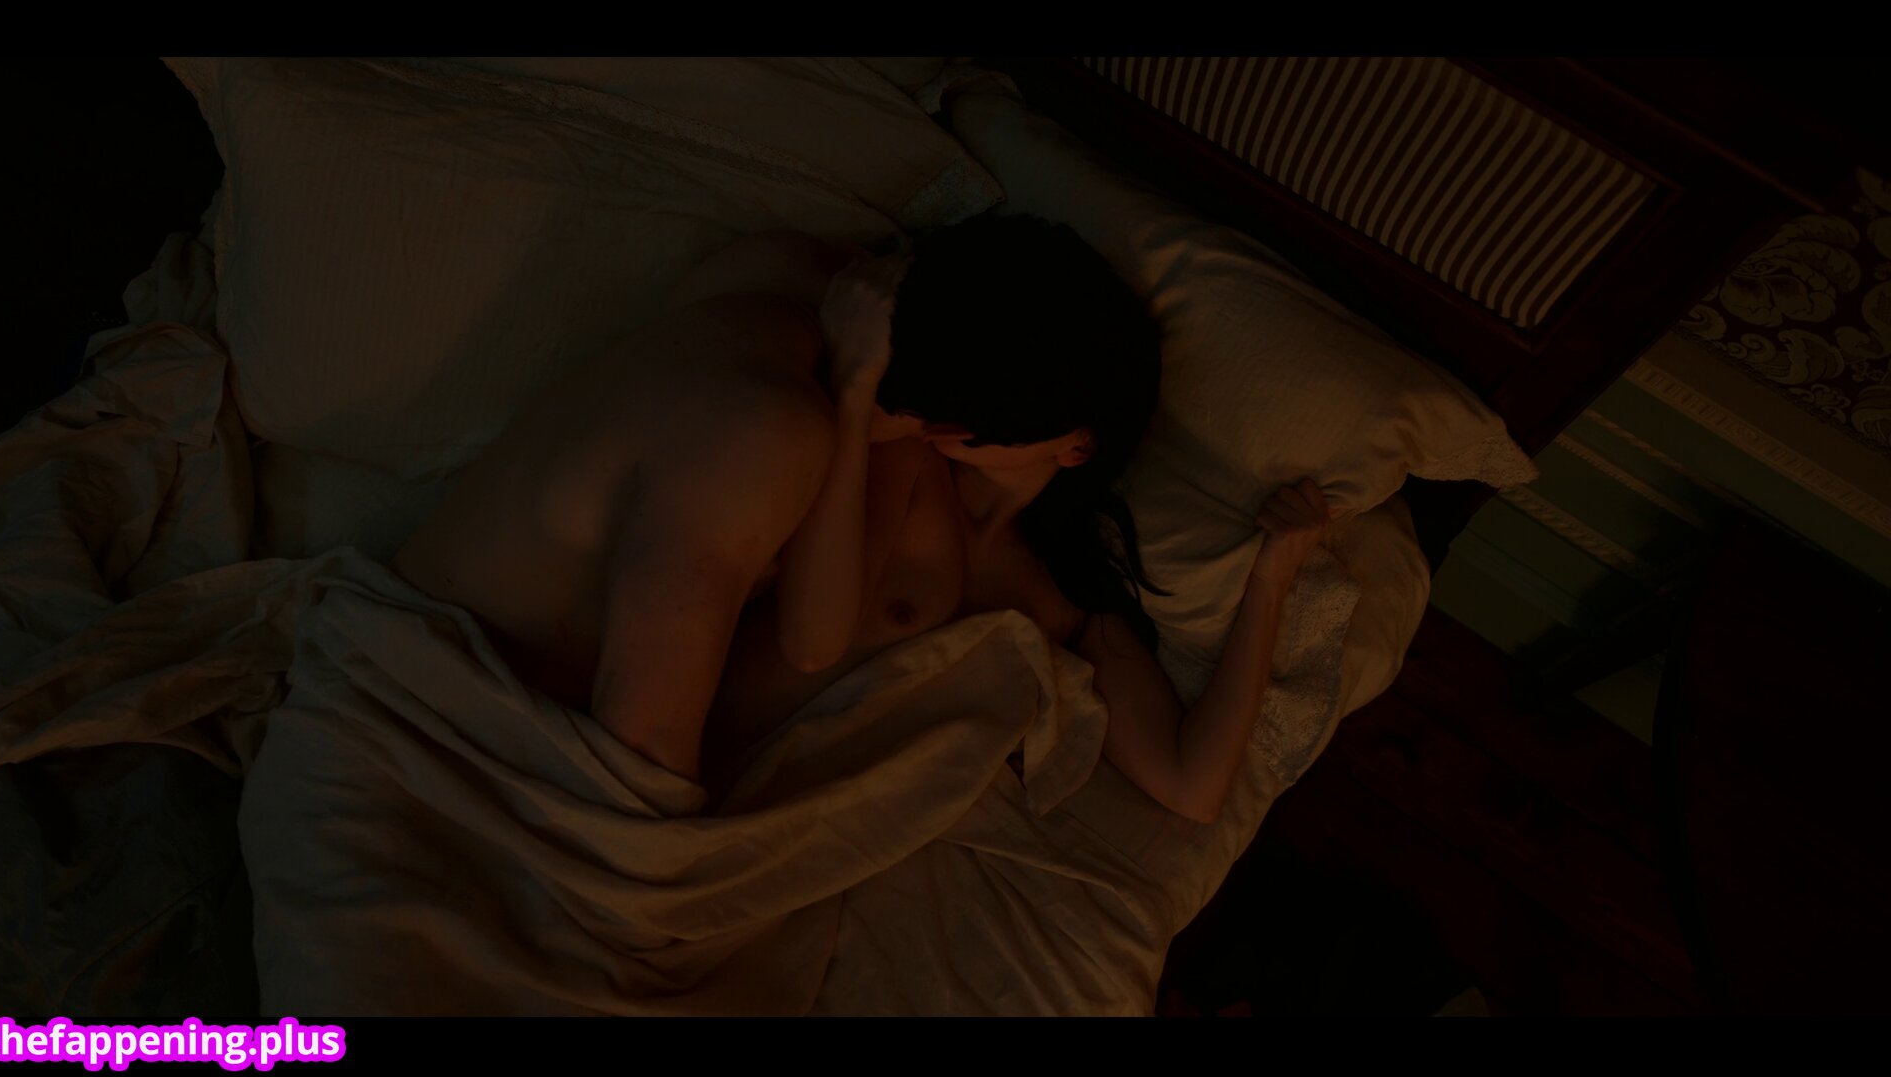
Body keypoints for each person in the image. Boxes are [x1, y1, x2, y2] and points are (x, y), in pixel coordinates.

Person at [394, 214, 1333, 822]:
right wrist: (855, 408)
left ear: (1075, 445)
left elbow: (1191, 786)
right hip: (620, 718)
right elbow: (811, 638)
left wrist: (1273, 577)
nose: (944, 425)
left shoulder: (1050, 595)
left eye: (976, 422)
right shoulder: (899, 446)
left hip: (681, 761)